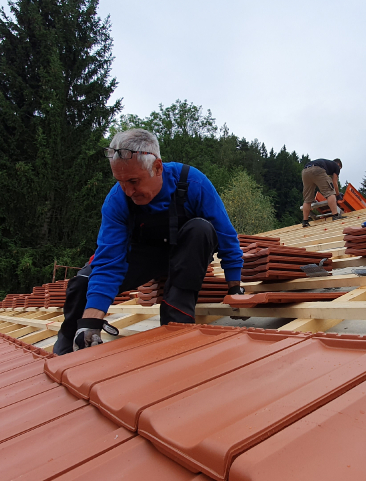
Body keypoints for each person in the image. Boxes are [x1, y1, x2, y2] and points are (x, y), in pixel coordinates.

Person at [70, 129, 245, 352]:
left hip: (186, 255)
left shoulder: (192, 183)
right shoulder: (118, 199)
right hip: (144, 257)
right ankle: (68, 348)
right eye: (120, 181)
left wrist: (235, 288)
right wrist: (91, 323)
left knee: (201, 228)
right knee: (81, 284)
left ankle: (176, 327)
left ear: (157, 167)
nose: (128, 190)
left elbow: (226, 236)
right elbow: (109, 260)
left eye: (134, 181)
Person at [301, 158, 343, 227]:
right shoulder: (336, 166)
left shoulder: (327, 163)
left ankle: (305, 221)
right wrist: (338, 195)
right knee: (330, 192)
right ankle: (335, 215)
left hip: (305, 171)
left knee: (307, 199)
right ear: (338, 165)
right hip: (317, 169)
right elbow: (334, 183)